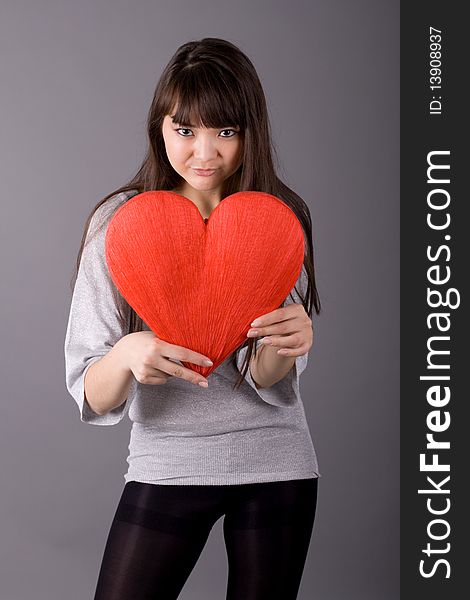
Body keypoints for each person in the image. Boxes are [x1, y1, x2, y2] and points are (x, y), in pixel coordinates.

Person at [64, 37, 322, 600]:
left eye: (225, 131)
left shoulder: (277, 216)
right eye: (186, 130)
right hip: (169, 464)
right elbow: (93, 392)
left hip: (277, 464)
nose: (204, 152)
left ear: (250, 132)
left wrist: (292, 338)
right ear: (160, 127)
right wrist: (128, 355)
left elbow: (265, 376)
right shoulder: (120, 223)